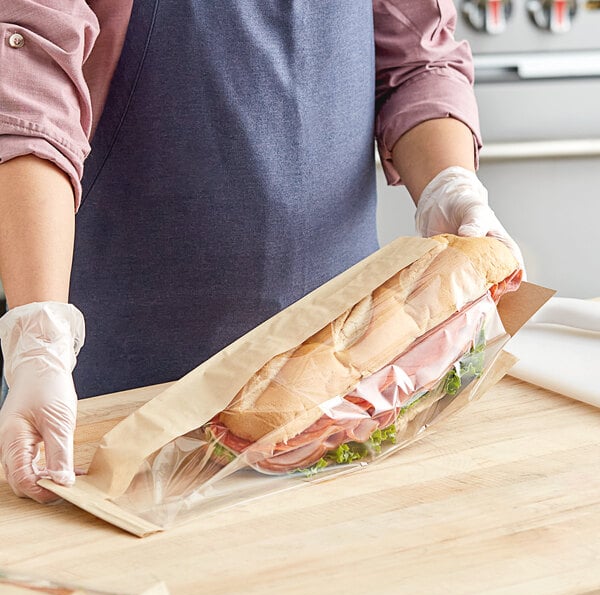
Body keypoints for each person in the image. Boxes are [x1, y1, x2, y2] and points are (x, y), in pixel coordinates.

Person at [0, 1, 524, 503]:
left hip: (353, 398)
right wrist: (37, 334)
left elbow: (417, 57)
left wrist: (448, 185)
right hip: (117, 392)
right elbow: (29, 84)